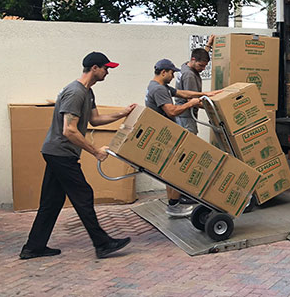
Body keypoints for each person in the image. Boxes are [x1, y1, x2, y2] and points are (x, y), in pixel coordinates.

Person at [20, 52, 137, 260]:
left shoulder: (87, 92)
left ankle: (33, 247)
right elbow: (69, 130)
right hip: (61, 152)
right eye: (105, 68)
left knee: (52, 201)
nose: (107, 72)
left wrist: (123, 113)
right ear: (94, 68)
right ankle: (102, 243)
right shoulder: (75, 92)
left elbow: (95, 119)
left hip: (57, 152)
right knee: (83, 195)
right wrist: (95, 152)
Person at [145, 58, 219, 217]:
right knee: (177, 169)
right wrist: (190, 104)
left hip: (165, 133)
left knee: (170, 171)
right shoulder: (158, 89)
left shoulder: (159, 86)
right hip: (164, 135)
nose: (173, 76)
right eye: (171, 73)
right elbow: (171, 111)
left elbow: (181, 93)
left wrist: (204, 94)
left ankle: (173, 203)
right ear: (163, 72)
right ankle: (174, 205)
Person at [175, 36, 214, 135]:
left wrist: (208, 45)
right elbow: (192, 101)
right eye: (201, 65)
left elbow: (201, 56)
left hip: (183, 116)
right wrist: (214, 108)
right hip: (186, 117)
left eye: (205, 66)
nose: (203, 68)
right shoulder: (189, 75)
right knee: (189, 143)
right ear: (193, 59)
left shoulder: (186, 66)